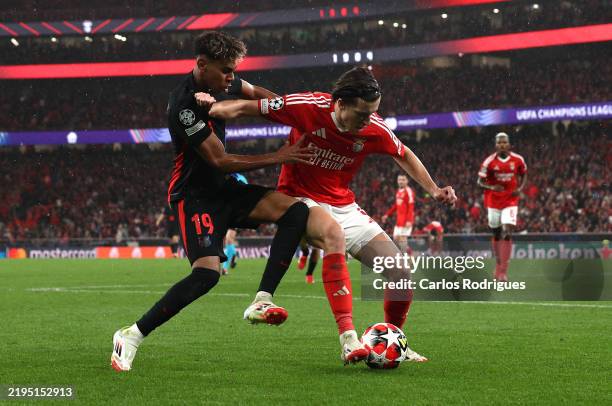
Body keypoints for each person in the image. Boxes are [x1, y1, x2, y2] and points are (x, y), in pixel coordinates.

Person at [202, 66, 457, 362]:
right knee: (333, 235)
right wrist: (210, 108)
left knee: (400, 271)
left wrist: (434, 189)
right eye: (362, 114)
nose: (368, 120)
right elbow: (246, 107)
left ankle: (394, 341)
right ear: (340, 103)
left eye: (372, 113)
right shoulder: (308, 107)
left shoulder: (374, 127)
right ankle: (348, 339)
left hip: (343, 204)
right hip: (299, 199)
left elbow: (404, 153)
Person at [110, 31, 314, 372]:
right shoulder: (183, 106)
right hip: (195, 196)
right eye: (226, 71)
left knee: (295, 211)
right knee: (207, 275)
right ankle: (131, 335)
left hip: (225, 189)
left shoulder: (223, 82)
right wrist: (280, 156)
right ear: (202, 65)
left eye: (234, 71)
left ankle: (262, 300)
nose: (232, 78)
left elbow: (259, 95)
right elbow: (219, 160)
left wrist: (293, 114)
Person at [477, 132, 527, 281]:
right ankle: (498, 265)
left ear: (509, 144)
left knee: (507, 231)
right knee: (497, 235)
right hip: (493, 201)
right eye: (499, 143)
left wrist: (520, 188)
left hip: (510, 200)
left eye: (504, 142)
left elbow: (524, 174)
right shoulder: (489, 162)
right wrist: (492, 187)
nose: (502, 145)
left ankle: (503, 271)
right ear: (496, 145)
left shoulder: (518, 159)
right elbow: (479, 182)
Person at [382, 174, 415, 254]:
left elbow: (411, 207)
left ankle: (406, 257)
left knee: (402, 240)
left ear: (407, 181)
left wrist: (409, 220)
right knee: (396, 239)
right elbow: (396, 205)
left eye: (403, 180)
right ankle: (409, 254)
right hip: (399, 221)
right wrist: (387, 214)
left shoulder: (409, 191)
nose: (401, 181)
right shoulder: (398, 191)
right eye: (399, 180)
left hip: (406, 220)